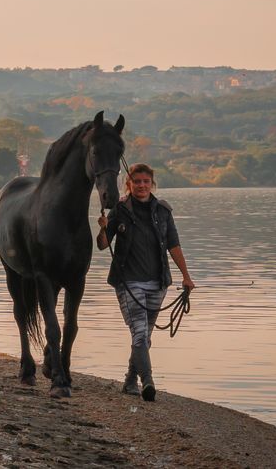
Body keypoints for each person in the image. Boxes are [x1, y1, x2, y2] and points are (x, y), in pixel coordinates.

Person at [96, 163, 194, 402]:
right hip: (128, 281)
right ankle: (147, 381)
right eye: (136, 182)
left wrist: (186, 276)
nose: (141, 186)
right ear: (129, 184)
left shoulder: (163, 211)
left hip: (158, 282)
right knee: (139, 333)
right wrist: (103, 229)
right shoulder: (119, 209)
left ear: (152, 184)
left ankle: (130, 379)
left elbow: (174, 245)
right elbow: (102, 245)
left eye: (145, 182)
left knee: (145, 336)